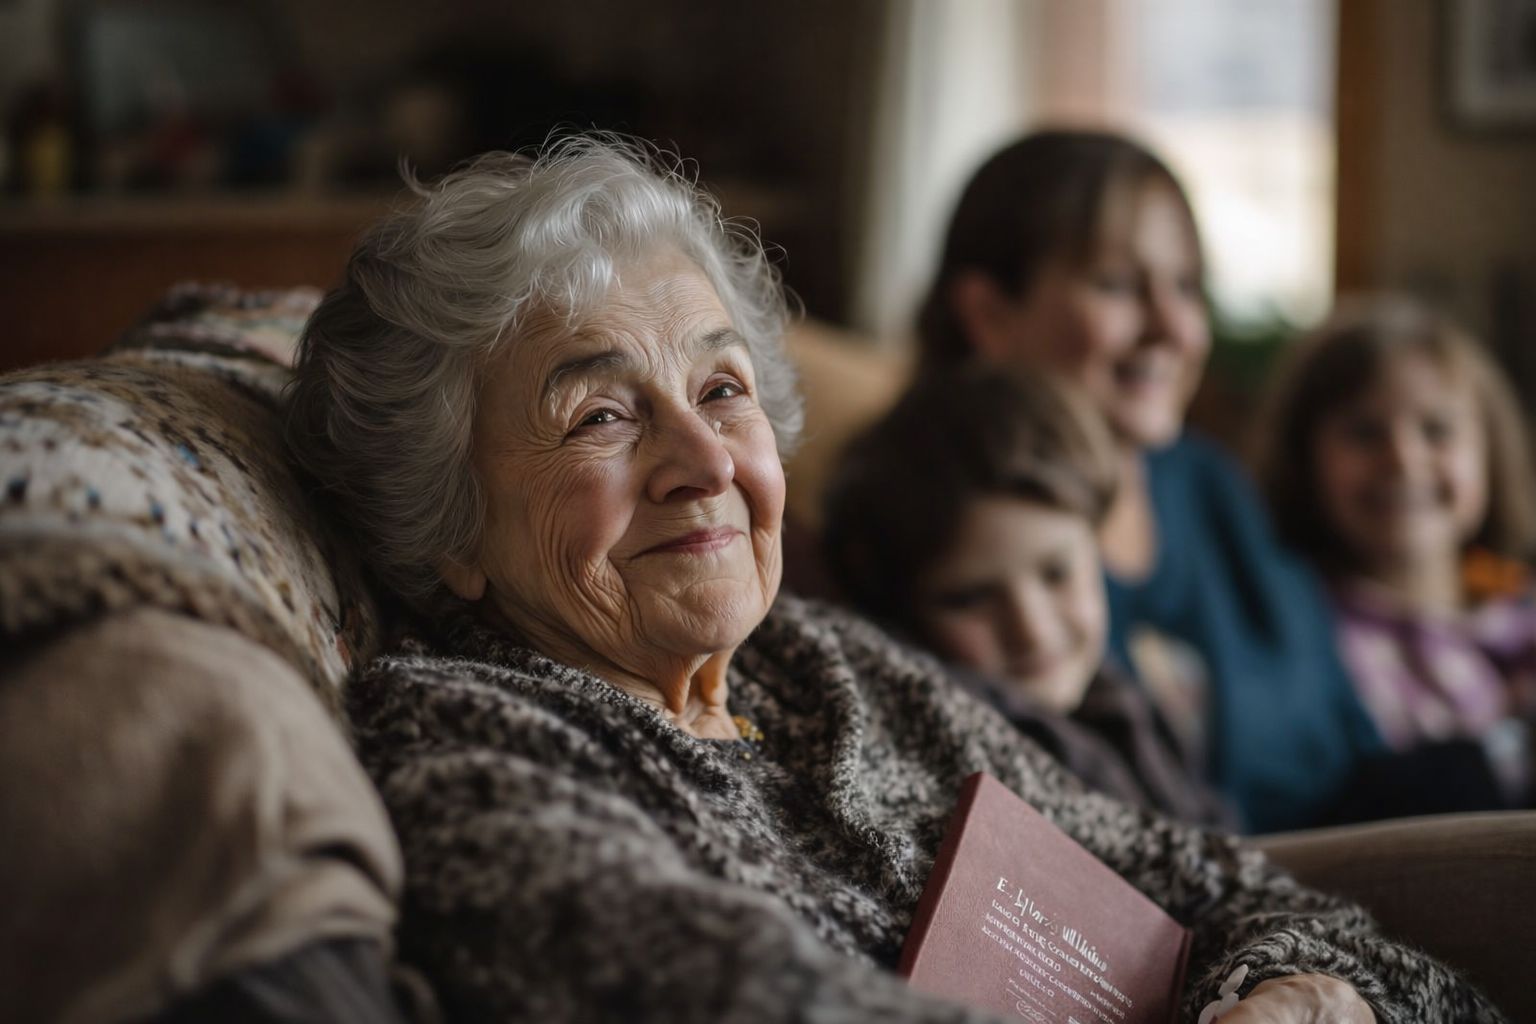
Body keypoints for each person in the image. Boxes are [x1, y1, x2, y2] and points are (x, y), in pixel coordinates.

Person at [280, 136, 1498, 1023]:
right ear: (442, 517)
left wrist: (1296, 993)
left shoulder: (827, 664)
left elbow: (1225, 885)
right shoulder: (474, 746)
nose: (707, 461)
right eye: (601, 414)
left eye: (721, 390)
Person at [916, 129, 1383, 832]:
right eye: (1117, 285)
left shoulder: (1209, 483)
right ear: (990, 314)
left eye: (1187, 287)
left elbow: (1353, 733)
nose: (1173, 328)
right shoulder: (945, 531)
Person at [823, 363, 1232, 827]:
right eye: (970, 599)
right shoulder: (964, 741)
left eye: (1057, 574)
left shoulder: (1122, 700)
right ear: (902, 610)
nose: (1032, 631)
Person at [1254, 297, 1536, 812]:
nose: (1403, 459)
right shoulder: (1299, 636)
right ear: (1304, 459)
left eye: (1437, 430)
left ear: (1490, 453)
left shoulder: (1520, 609)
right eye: (1364, 432)